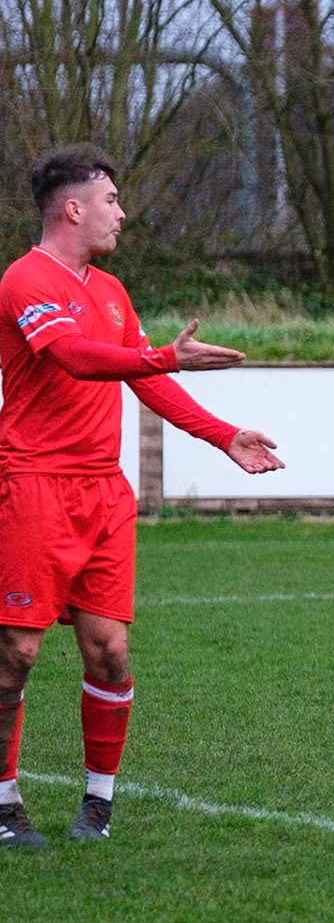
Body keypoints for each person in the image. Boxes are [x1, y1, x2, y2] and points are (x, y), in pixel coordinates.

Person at [0, 145, 284, 848]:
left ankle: (97, 802)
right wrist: (161, 356)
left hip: (104, 496)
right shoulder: (26, 280)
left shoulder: (113, 291)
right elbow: (74, 357)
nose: (122, 214)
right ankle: (4, 804)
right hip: (34, 485)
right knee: (16, 652)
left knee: (111, 653)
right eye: (112, 201)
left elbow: (145, 379)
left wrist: (224, 436)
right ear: (74, 208)